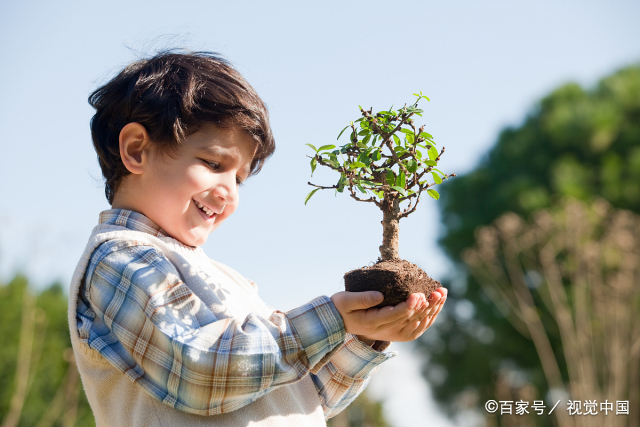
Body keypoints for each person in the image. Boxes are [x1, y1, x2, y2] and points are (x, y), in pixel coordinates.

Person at [68, 50, 447, 427]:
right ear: (137, 149)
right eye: (214, 164)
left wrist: (364, 336)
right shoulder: (120, 259)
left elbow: (299, 396)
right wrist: (332, 319)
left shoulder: (224, 280)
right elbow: (200, 372)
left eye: (239, 179)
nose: (228, 192)